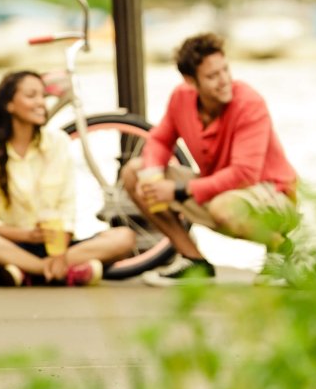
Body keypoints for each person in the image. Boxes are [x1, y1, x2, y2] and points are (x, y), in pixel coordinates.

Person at [122, 33, 299, 286]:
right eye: (212, 76)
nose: (224, 80)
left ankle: (285, 252)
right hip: (219, 191)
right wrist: (153, 176)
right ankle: (194, 261)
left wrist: (177, 189)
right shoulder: (181, 98)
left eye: (225, 70)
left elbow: (244, 174)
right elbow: (160, 140)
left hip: (275, 196)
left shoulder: (249, 103)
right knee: (134, 173)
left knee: (223, 207)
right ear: (190, 81)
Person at [0, 70, 136, 286]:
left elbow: (67, 205)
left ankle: (29, 272)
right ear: (9, 104)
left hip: (59, 245)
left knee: (124, 237)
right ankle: (49, 271)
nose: (41, 103)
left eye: (43, 96)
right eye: (31, 96)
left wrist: (60, 250)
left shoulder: (57, 142)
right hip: (11, 244)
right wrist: (26, 236)